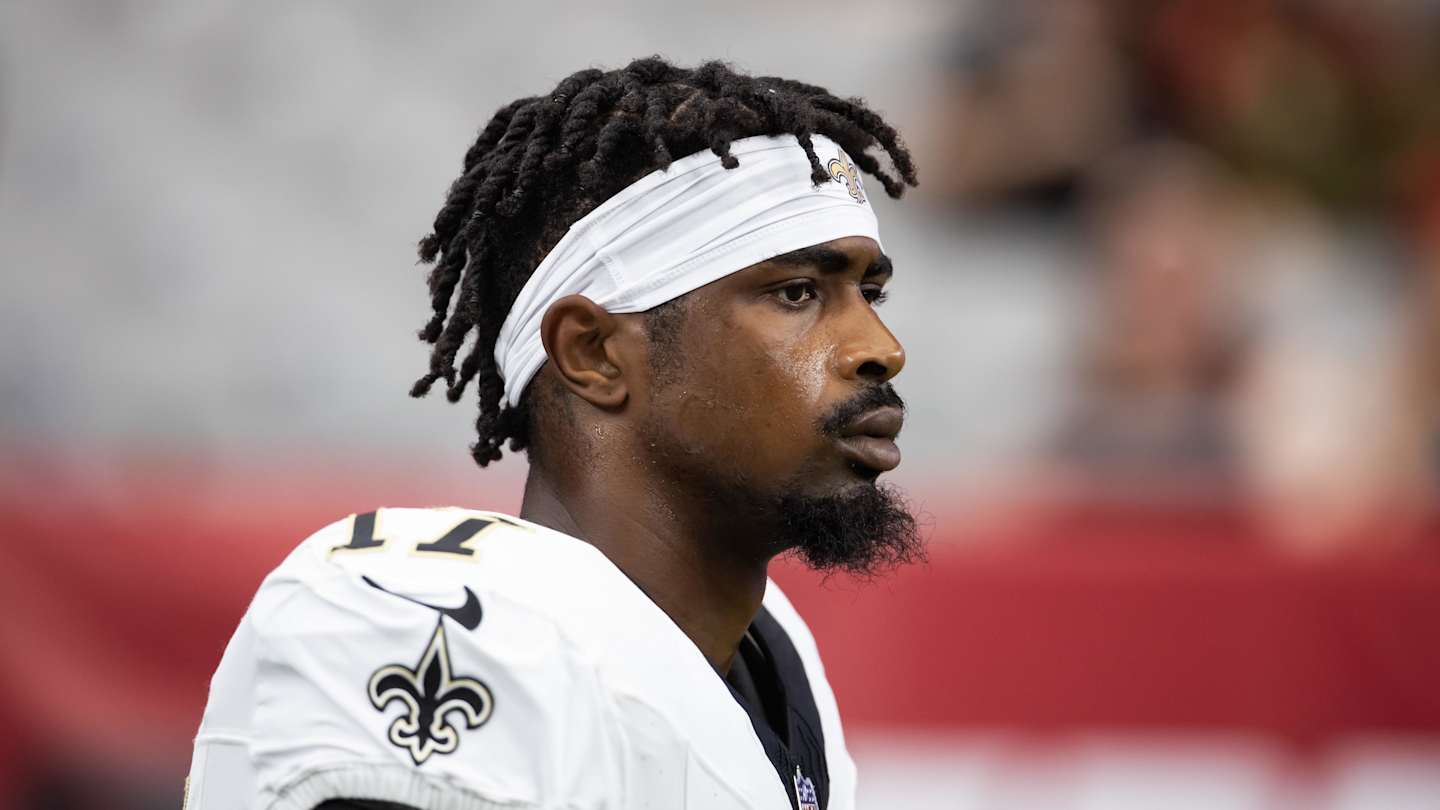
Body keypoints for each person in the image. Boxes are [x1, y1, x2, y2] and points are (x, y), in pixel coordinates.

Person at [184, 57, 921, 810]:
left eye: (870, 293)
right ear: (592, 353)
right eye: (797, 293)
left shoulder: (772, 658)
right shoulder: (437, 620)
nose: (882, 348)